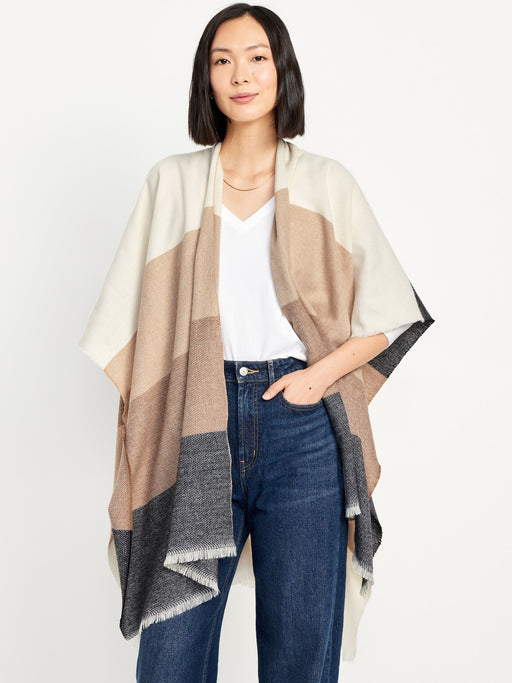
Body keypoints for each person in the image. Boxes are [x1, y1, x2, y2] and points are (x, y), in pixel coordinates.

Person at [79, 3, 434, 682]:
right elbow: (126, 326)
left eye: (256, 57)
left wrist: (316, 378)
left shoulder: (327, 182)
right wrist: (167, 404)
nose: (240, 74)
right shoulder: (173, 182)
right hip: (197, 423)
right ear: (206, 79)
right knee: (171, 656)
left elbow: (392, 312)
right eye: (223, 61)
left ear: (281, 70)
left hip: (302, 428)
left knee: (300, 654)